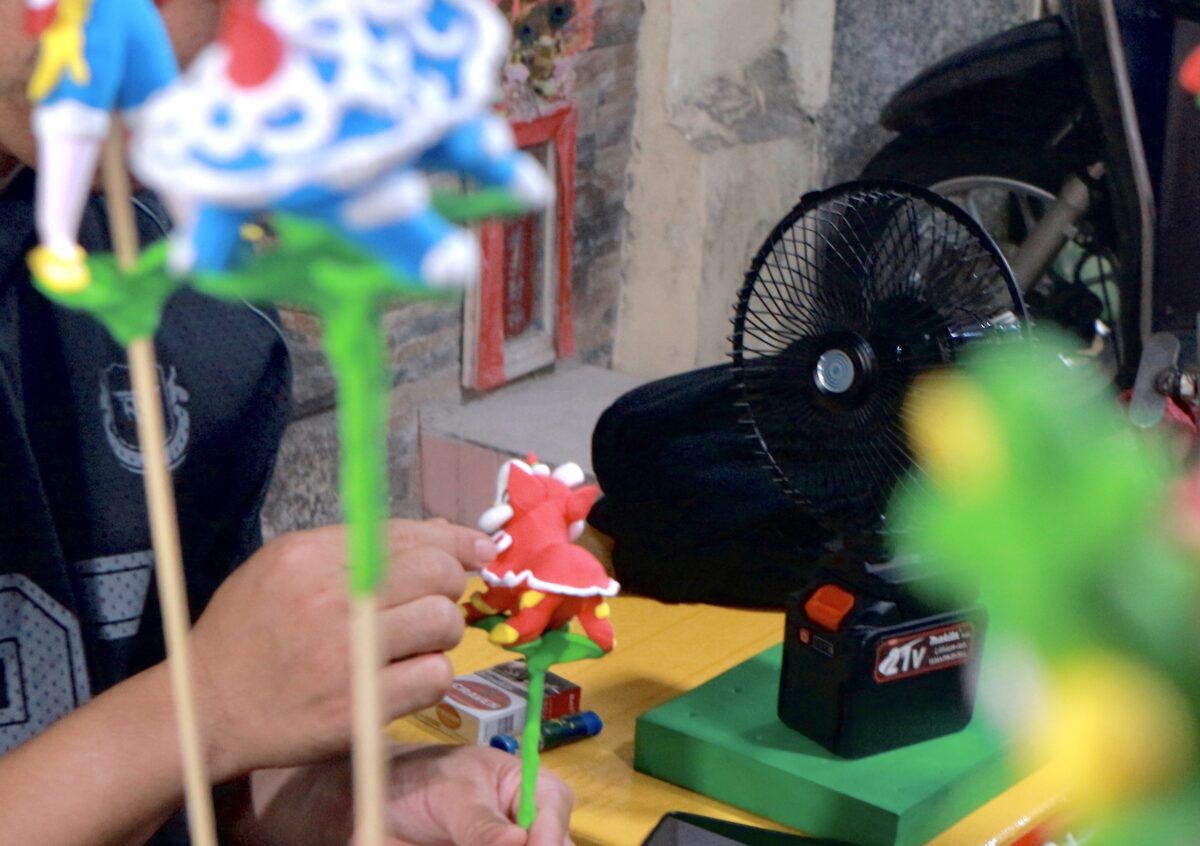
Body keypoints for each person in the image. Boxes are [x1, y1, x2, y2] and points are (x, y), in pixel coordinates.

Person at [0, 2, 573, 844]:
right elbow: (186, 719)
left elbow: (191, 780)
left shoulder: (194, 315)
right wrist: (200, 709)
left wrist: (340, 801)